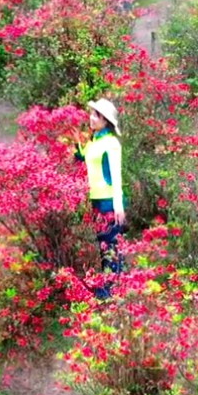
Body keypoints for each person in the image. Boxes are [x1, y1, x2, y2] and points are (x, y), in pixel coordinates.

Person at [74, 99, 127, 297]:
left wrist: (118, 205)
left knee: (111, 245)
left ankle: (111, 290)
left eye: (95, 115)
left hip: (109, 202)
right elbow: (82, 157)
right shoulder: (94, 141)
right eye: (91, 113)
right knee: (104, 245)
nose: (91, 117)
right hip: (97, 201)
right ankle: (110, 287)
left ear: (105, 121)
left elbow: (116, 175)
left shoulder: (111, 143)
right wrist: (76, 140)